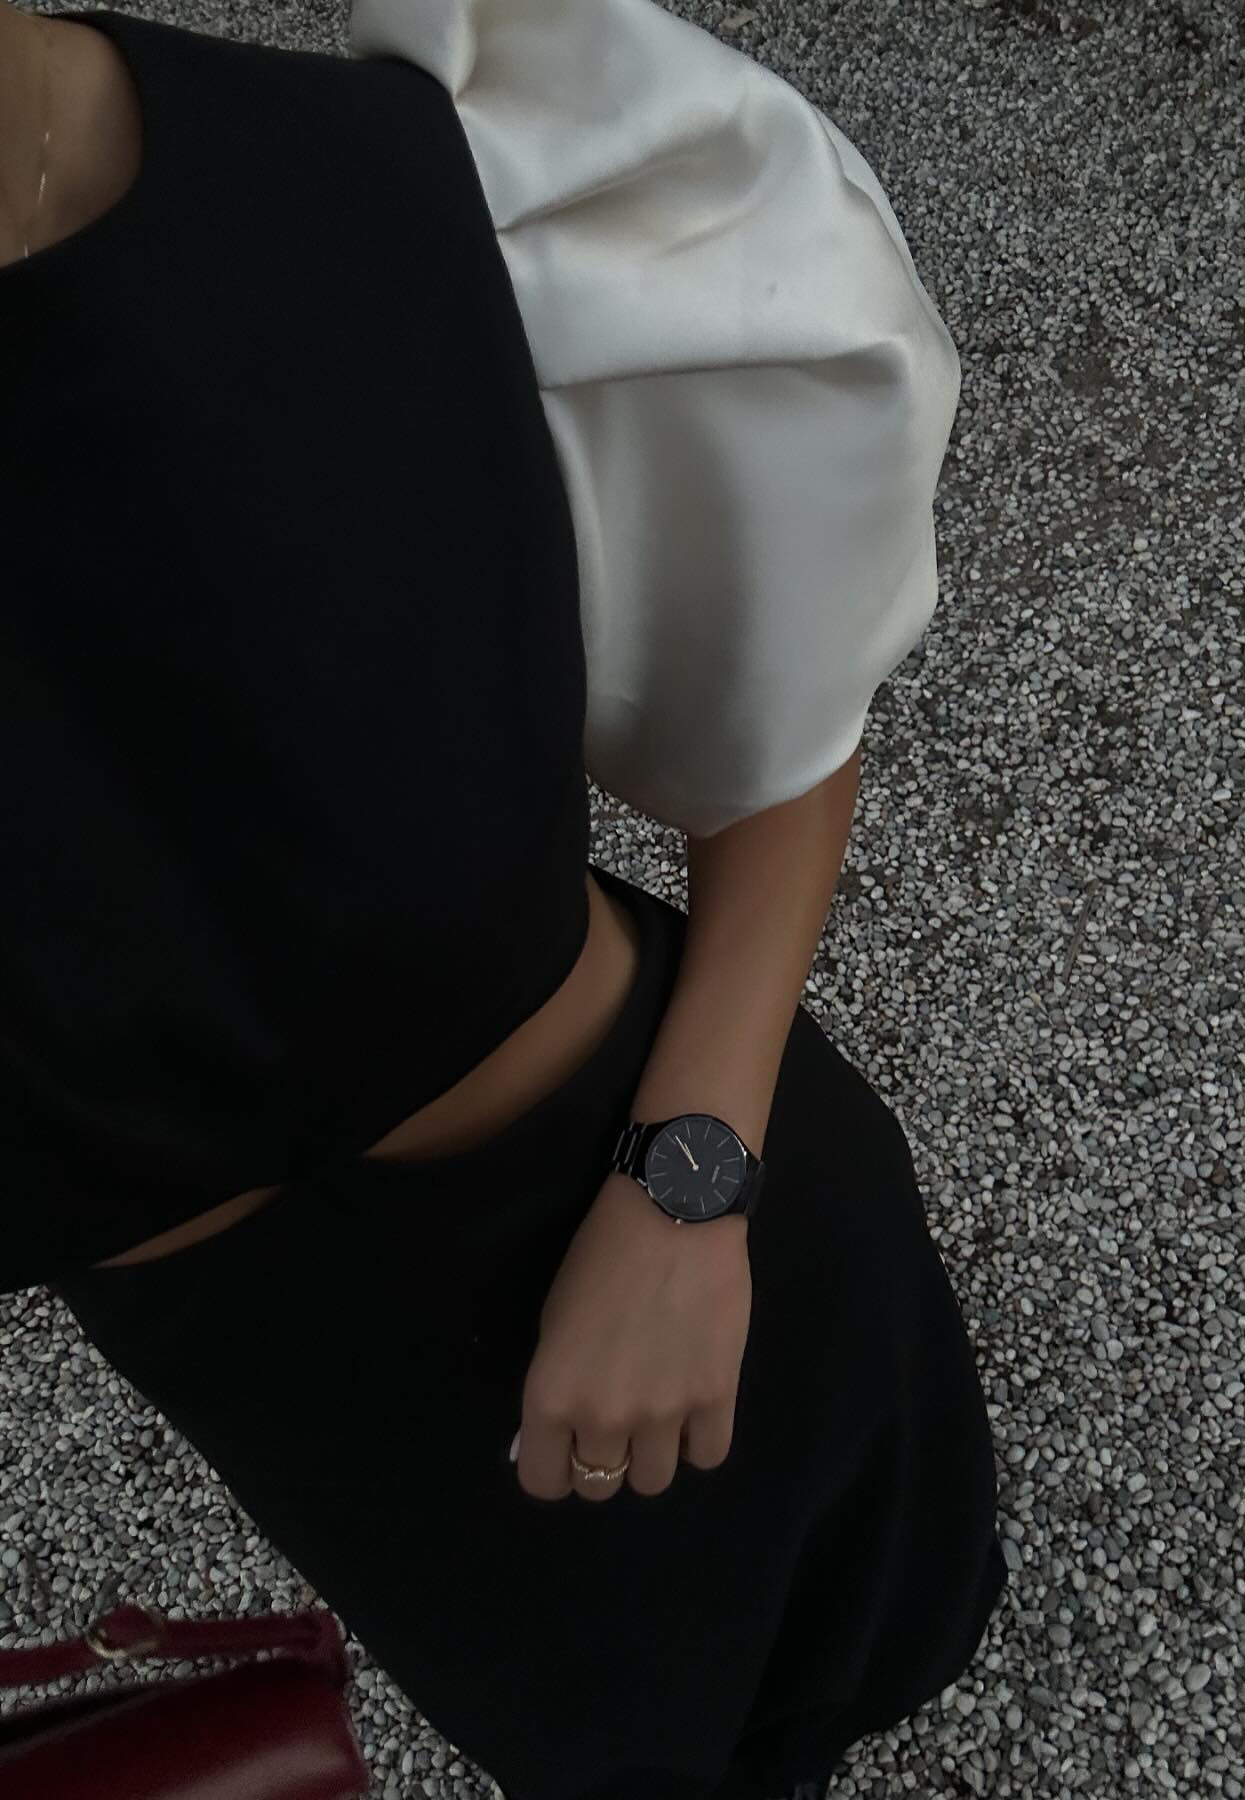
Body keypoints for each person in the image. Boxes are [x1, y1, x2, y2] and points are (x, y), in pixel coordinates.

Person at [0, 2, 1009, 1796]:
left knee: (867, 1634)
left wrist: (690, 1188)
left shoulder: (414, 179)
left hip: (694, 1197)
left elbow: (786, 731)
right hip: (321, 1420)